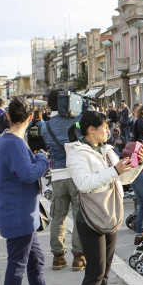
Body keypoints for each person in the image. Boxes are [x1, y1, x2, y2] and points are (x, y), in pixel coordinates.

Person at [0, 99, 76, 285]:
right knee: (17, 265)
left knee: (36, 260)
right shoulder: (15, 144)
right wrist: (42, 159)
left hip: (15, 211)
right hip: (17, 212)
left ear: (8, 116)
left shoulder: (2, 140)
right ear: (30, 118)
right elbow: (28, 175)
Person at [68, 110, 143, 285]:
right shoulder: (77, 152)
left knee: (106, 270)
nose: (108, 130)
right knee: (95, 270)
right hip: (90, 215)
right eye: (104, 127)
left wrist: (137, 162)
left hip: (111, 212)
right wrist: (114, 170)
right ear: (91, 129)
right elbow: (83, 184)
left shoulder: (107, 149)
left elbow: (123, 179)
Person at [40, 90, 85, 271]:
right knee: (79, 216)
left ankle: (58, 257)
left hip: (57, 175)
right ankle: (79, 257)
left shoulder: (46, 125)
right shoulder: (79, 120)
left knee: (58, 217)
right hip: (76, 174)